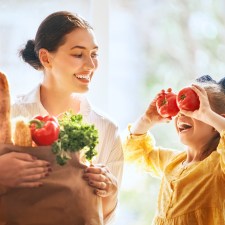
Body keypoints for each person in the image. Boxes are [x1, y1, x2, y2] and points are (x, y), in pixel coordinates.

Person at [8, 11, 123, 224]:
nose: (90, 65)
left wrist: (111, 192)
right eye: (78, 54)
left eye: (94, 54)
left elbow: (103, 219)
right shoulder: (10, 117)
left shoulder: (106, 129)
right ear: (45, 58)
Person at [123, 75, 225, 225]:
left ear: (216, 125)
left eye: (195, 109)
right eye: (180, 107)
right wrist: (146, 120)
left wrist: (207, 114)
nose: (182, 114)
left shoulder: (218, 167)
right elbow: (136, 153)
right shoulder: (173, 162)